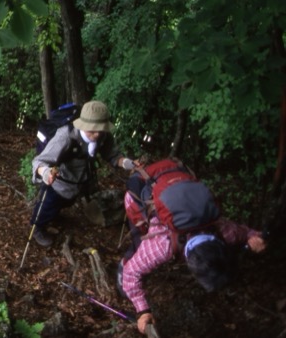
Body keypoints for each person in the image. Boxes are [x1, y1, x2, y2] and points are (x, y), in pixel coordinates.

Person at [118, 162, 267, 334]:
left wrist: (255, 238)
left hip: (172, 179)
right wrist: (143, 310)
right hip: (140, 192)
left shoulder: (224, 232)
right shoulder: (162, 245)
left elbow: (247, 233)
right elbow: (131, 273)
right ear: (189, 262)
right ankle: (123, 265)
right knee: (138, 245)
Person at [30, 100, 137, 247]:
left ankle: (54, 216)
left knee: (65, 203)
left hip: (79, 183)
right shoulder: (65, 136)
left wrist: (128, 163)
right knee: (47, 207)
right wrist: (46, 172)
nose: (97, 134)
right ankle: (37, 228)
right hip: (58, 183)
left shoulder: (103, 136)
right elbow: (39, 161)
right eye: (92, 130)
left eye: (100, 129)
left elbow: (113, 155)